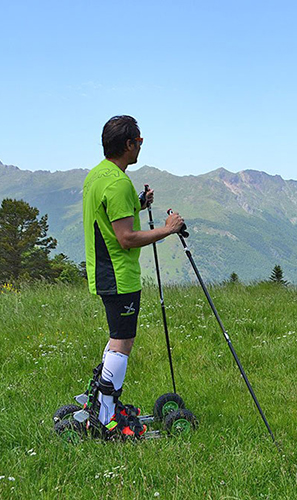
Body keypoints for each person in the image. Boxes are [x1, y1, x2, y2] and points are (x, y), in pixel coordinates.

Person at [82, 115, 185, 438]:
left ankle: (103, 405)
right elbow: (126, 238)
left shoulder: (99, 176)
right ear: (128, 144)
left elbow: (109, 217)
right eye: (139, 141)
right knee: (122, 341)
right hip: (118, 273)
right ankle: (108, 417)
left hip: (102, 270)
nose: (141, 146)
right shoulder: (117, 182)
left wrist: (138, 204)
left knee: (118, 336)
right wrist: (167, 230)